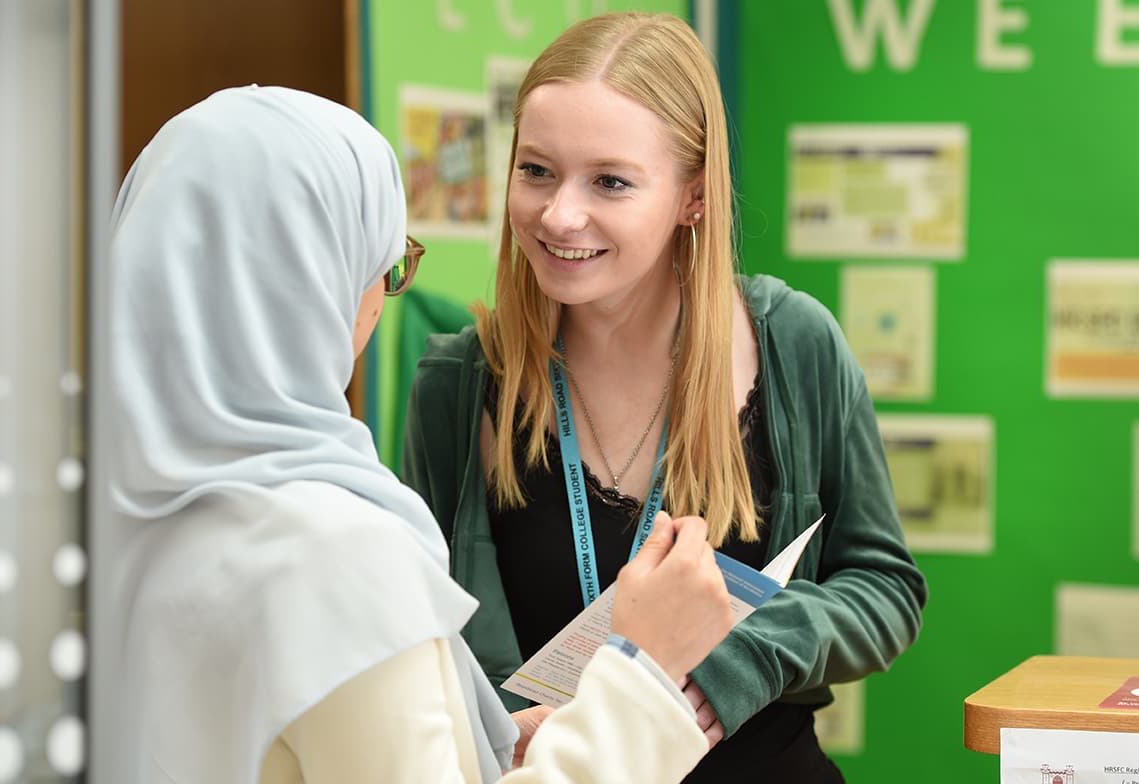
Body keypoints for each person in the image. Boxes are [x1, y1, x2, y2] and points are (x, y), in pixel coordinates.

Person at [90, 84, 738, 784]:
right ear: (315, 286)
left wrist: (466, 736)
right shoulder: (336, 558)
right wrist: (640, 679)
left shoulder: (101, 513)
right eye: (385, 267)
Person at [401, 12, 929, 783]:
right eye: (536, 170)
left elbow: (884, 589)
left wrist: (737, 660)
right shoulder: (459, 381)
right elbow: (423, 633)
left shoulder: (792, 344)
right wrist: (489, 720)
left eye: (608, 181)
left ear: (692, 195)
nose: (558, 215)